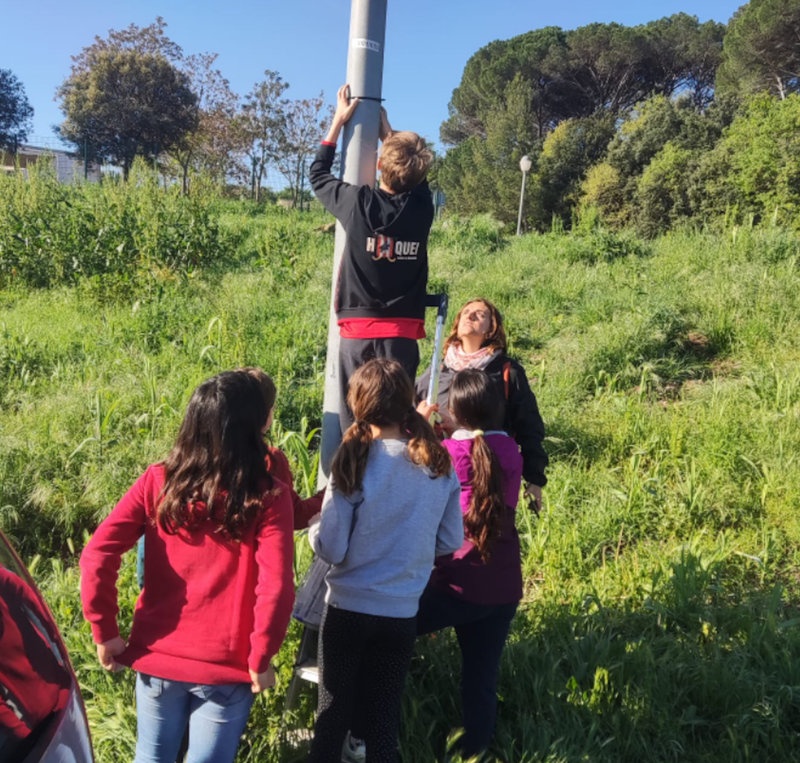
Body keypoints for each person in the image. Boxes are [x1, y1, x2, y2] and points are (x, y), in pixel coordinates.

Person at [80, 371, 295, 763]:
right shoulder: (267, 495)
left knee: (151, 756)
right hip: (227, 670)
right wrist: (261, 658)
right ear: (258, 424)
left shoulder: (158, 481)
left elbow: (97, 553)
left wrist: (105, 632)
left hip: (158, 660)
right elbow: (276, 585)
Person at [307, 359, 463, 762]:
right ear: (408, 401)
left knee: (332, 713)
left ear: (358, 403)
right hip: (401, 611)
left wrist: (313, 531)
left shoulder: (354, 461)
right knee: (382, 720)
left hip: (347, 608)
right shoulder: (437, 464)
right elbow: (450, 540)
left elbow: (332, 548)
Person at [309, 84, 435, 432]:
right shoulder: (423, 209)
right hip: (403, 333)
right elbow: (417, 177)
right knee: (398, 423)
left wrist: (338, 121)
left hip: (358, 331)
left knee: (356, 420)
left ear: (379, 164)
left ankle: (353, 479)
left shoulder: (357, 203)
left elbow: (318, 174)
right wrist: (390, 134)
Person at [416, 368, 524, 758]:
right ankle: (475, 749)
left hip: (456, 583)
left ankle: (373, 727)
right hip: (504, 586)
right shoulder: (511, 451)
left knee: (387, 635)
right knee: (481, 677)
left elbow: (414, 464)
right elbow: (480, 451)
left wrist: (419, 423)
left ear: (453, 410)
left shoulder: (448, 453)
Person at [416, 297, 548, 511]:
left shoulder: (506, 372)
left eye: (481, 314)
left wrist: (535, 479)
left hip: (491, 473)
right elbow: (410, 416)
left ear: (491, 329)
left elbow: (529, 425)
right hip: (441, 474)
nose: (470, 315)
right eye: (466, 312)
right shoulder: (436, 373)